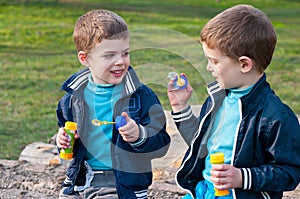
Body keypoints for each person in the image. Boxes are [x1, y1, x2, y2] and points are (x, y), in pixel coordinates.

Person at [167, 4, 300, 199]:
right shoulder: (218, 99)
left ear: (244, 64)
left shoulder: (275, 116)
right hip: (205, 192)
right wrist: (181, 108)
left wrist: (242, 177)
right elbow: (200, 144)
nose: (208, 67)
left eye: (214, 61)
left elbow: (290, 173)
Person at [56, 9, 170, 199]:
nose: (120, 62)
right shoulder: (72, 98)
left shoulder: (141, 96)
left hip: (121, 184)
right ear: (85, 59)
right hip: (80, 179)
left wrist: (139, 135)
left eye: (125, 53)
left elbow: (162, 143)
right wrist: (63, 141)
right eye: (109, 55)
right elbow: (68, 138)